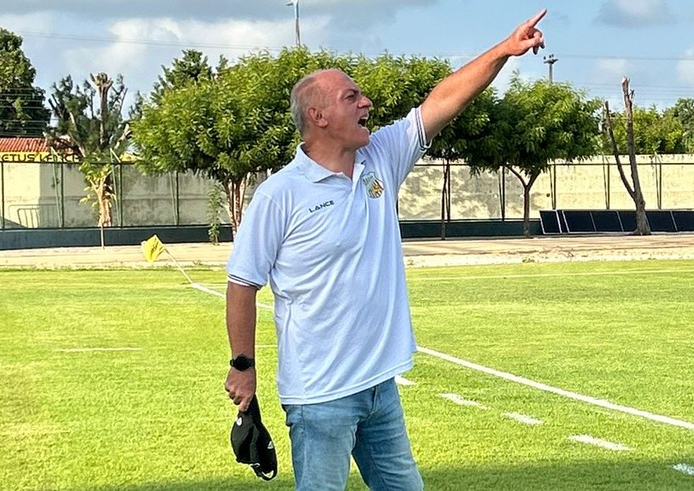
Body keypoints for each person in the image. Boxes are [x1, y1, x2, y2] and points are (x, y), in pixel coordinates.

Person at [224, 9, 548, 490]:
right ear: (318, 116)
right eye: (351, 96)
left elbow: (444, 100)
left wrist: (503, 50)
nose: (367, 103)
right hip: (320, 397)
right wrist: (243, 369)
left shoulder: (380, 156)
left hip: (379, 387)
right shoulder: (280, 193)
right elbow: (242, 283)